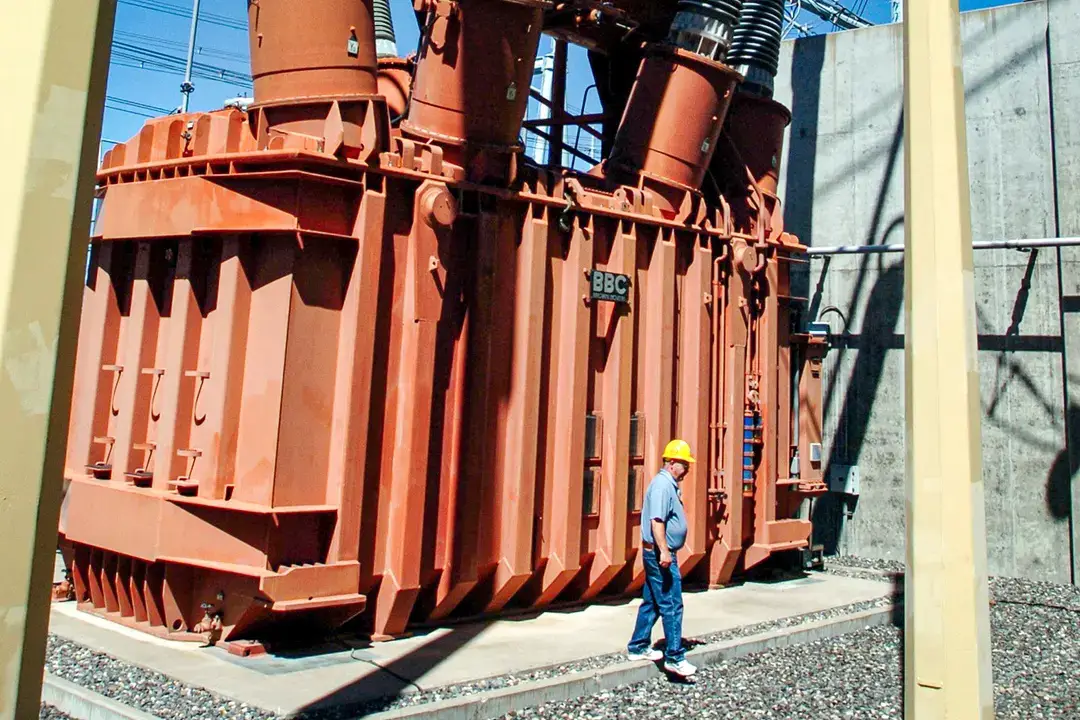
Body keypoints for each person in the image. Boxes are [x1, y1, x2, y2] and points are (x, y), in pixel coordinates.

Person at [626, 439, 697, 678]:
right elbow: (657, 521)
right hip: (659, 555)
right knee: (672, 604)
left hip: (658, 553)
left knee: (653, 602)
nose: (687, 469)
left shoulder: (668, 485)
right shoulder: (662, 486)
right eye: (684, 464)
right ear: (672, 462)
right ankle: (675, 658)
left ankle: (638, 646)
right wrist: (665, 551)